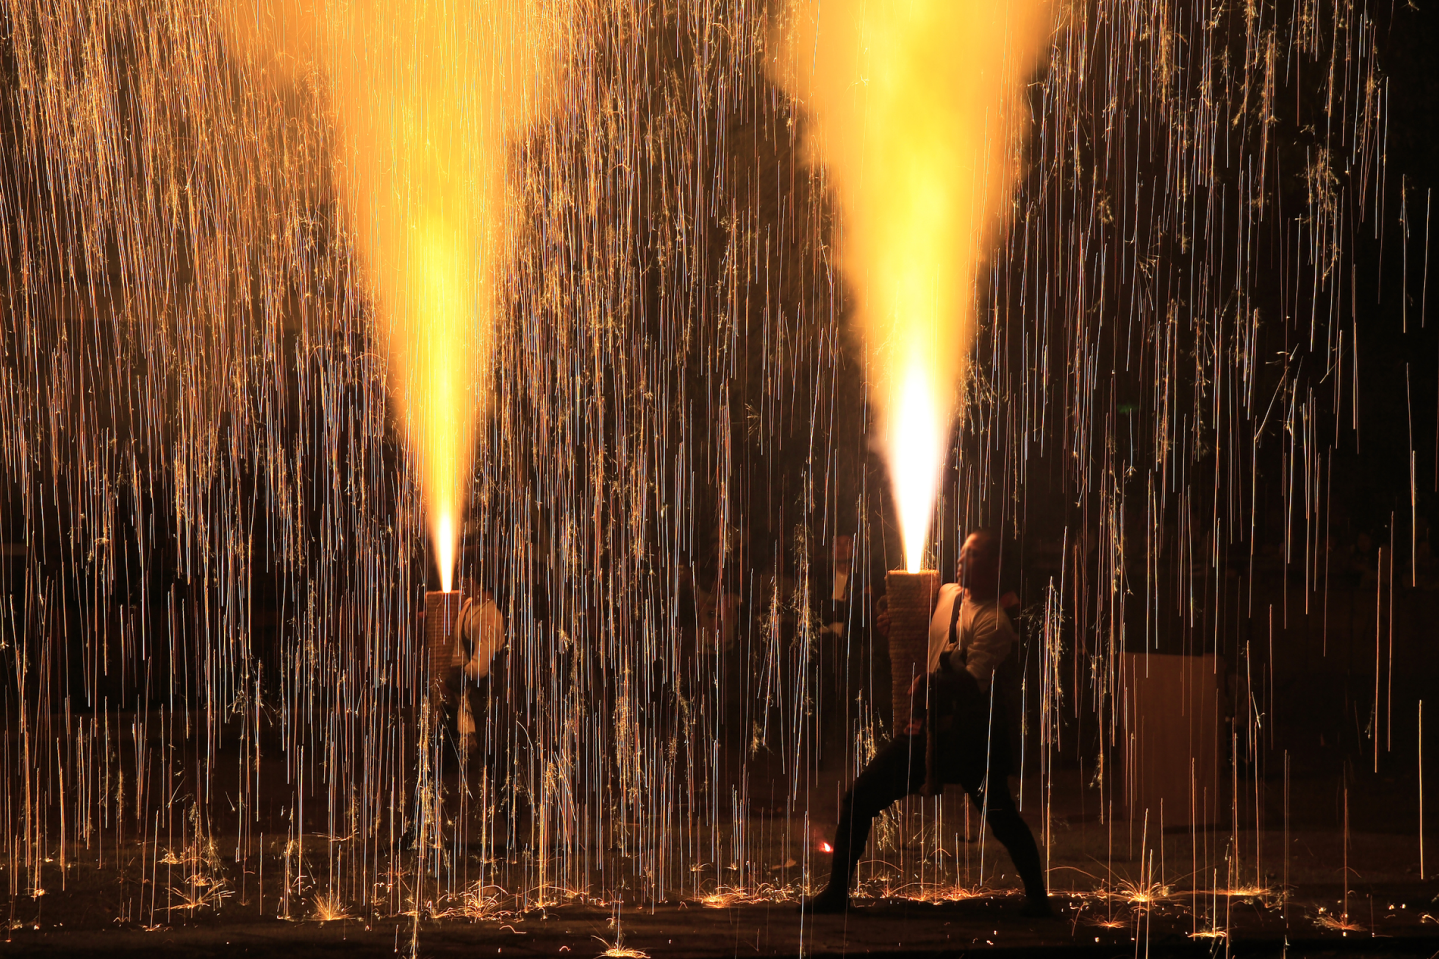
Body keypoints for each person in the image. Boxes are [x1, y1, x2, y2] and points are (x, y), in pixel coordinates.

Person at [803, 530, 1053, 917]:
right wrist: (892, 619)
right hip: (928, 731)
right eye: (962, 552)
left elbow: (973, 684)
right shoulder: (949, 593)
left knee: (1002, 818)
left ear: (992, 565)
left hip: (967, 739)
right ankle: (837, 893)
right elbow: (920, 630)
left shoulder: (994, 622)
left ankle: (1039, 900)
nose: (960, 559)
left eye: (970, 554)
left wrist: (931, 683)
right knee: (860, 798)